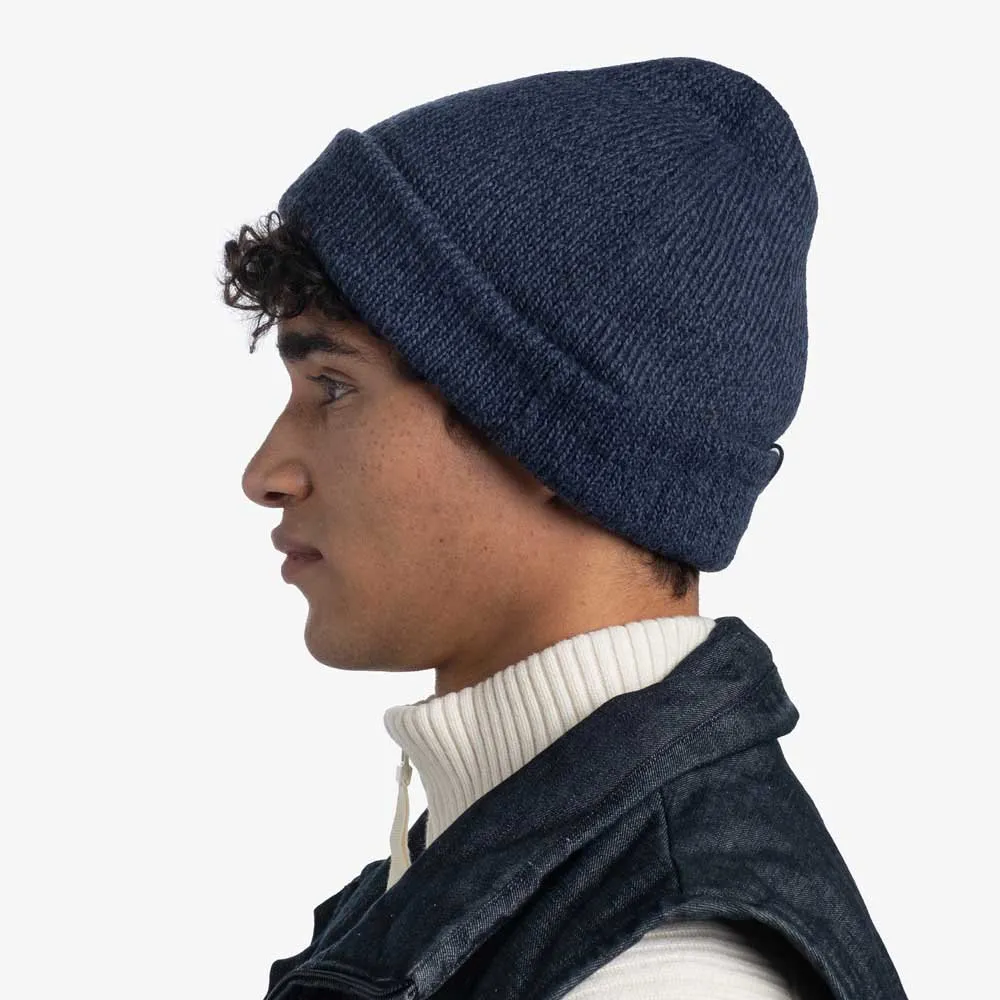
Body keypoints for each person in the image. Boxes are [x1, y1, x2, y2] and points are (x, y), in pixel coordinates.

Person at [222, 55, 909, 1000]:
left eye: (333, 388)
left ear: (548, 433)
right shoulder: (509, 870)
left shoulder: (661, 974)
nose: (266, 474)